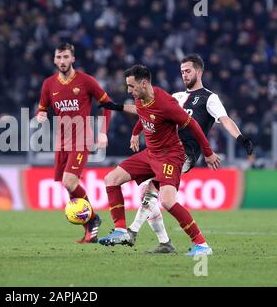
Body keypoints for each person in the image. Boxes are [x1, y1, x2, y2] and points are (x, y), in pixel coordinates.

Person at [101, 54, 254, 253]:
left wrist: (241, 139)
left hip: (181, 153)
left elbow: (224, 120)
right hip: (155, 151)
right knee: (131, 186)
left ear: (199, 71)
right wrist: (135, 131)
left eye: (188, 71)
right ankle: (157, 241)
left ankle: (137, 233)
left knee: (160, 197)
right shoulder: (175, 97)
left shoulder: (209, 97)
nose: (184, 75)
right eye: (181, 71)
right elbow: (147, 111)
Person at [36, 43, 113, 243]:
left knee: (69, 182)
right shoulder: (48, 84)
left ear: (73, 59)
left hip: (81, 139)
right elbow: (42, 107)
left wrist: (103, 132)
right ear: (54, 60)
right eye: (59, 57)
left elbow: (108, 105)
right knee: (70, 187)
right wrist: (41, 114)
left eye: (66, 57)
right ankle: (90, 230)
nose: (62, 61)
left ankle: (94, 218)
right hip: (61, 142)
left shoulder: (86, 81)